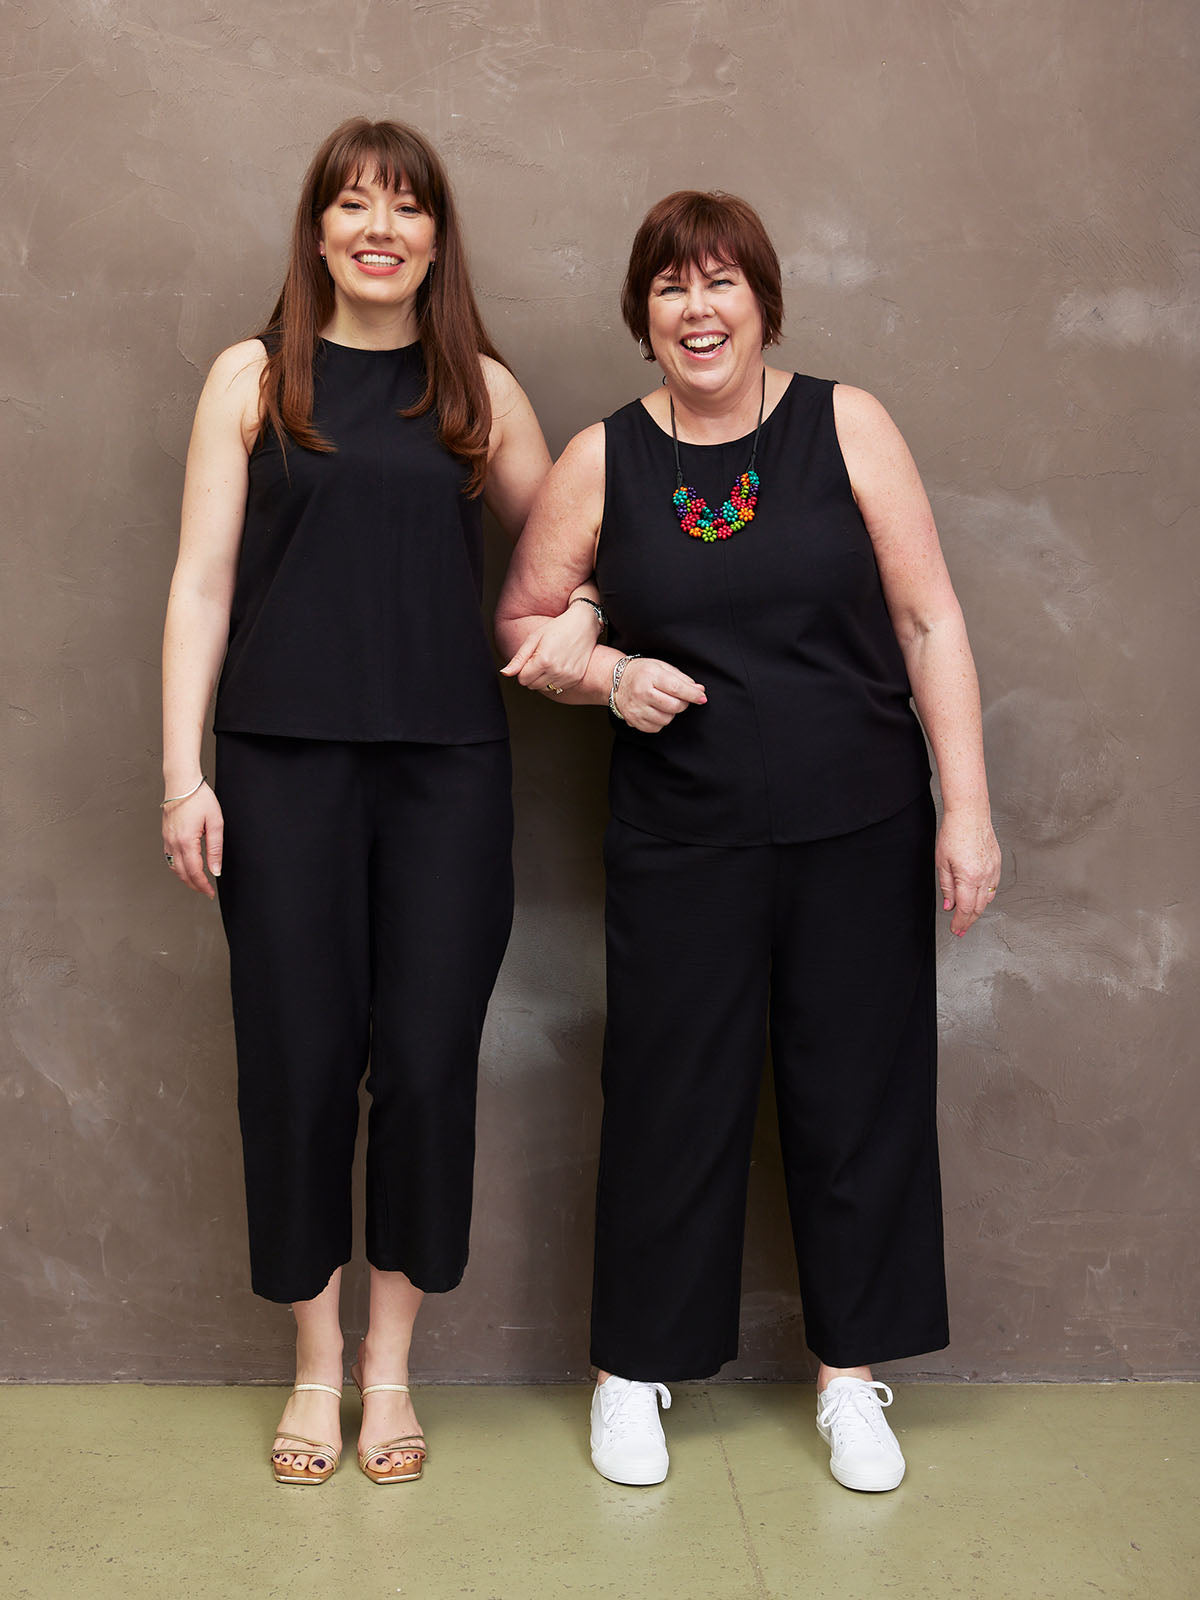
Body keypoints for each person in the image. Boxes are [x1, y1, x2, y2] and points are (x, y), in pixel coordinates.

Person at [496, 190, 1001, 1493]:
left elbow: (931, 622)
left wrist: (970, 809)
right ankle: (633, 1374)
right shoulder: (606, 459)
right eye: (670, 288)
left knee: (858, 1097)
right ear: (642, 318)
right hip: (684, 838)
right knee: (672, 1098)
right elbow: (521, 626)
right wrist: (605, 675)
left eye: (721, 282)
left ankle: (852, 1380)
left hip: (862, 824)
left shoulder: (851, 425)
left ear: (764, 302)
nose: (698, 308)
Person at [161, 117, 601, 1487]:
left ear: (434, 237)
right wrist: (183, 770)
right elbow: (202, 585)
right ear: (317, 231)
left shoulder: (481, 386)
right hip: (279, 769)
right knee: (296, 1066)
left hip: (447, 774)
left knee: (421, 1065)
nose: (378, 227)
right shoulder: (252, 376)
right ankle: (311, 1366)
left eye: (404, 208)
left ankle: (390, 1371)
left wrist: (587, 622)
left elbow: (561, 555)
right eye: (351, 204)